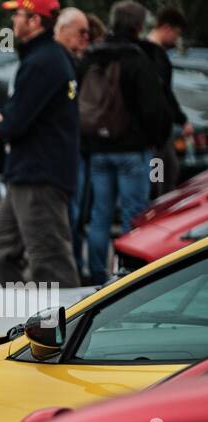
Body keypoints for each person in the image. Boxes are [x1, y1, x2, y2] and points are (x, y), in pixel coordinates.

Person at [0, 0, 81, 287]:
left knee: (50, 261)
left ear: (35, 21)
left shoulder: (43, 61)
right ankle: (4, 320)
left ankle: (73, 326)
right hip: (29, 174)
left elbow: (15, 122)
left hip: (38, 177)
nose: (14, 21)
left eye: (19, 15)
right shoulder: (48, 58)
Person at [77, 2, 171, 283]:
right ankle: (130, 279)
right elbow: (153, 108)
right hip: (132, 150)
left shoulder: (91, 57)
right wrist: (155, 140)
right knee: (134, 215)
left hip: (97, 150)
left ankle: (96, 277)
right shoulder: (138, 59)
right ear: (138, 26)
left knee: (99, 216)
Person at [56, 8, 92, 279]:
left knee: (77, 216)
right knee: (70, 219)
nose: (85, 39)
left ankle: (77, 272)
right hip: (65, 156)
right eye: (81, 32)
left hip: (75, 152)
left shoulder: (76, 64)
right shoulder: (59, 63)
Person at [142, 6, 192, 198]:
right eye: (176, 33)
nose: (176, 39)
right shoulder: (155, 55)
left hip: (153, 131)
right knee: (162, 177)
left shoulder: (143, 51)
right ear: (167, 28)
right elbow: (164, 94)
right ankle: (158, 213)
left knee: (163, 174)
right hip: (158, 134)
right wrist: (181, 118)